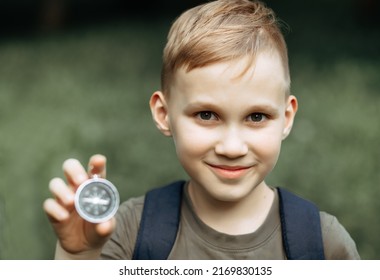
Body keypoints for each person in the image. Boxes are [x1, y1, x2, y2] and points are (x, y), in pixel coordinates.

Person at [43, 0, 360, 259]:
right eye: (207, 115)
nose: (232, 147)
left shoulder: (322, 244)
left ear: (286, 118)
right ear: (164, 114)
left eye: (257, 117)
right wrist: (78, 256)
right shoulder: (129, 232)